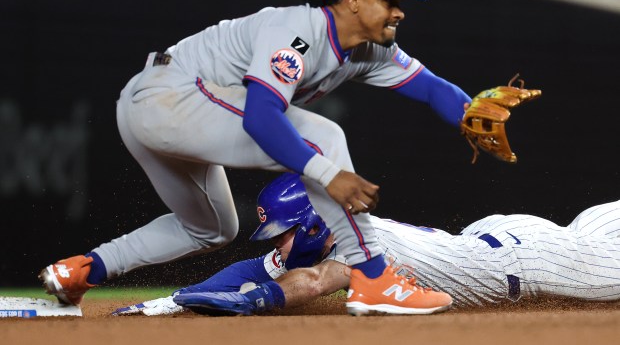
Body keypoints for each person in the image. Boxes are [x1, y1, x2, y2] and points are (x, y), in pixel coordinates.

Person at [39, 0, 472, 316]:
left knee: (210, 229)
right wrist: (327, 173)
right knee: (325, 140)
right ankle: (374, 277)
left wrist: (470, 111)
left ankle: (82, 270)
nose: (399, 9)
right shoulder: (297, 31)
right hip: (170, 96)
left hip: (153, 109)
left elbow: (431, 87)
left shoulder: (371, 50)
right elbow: (262, 117)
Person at [113, 173, 620, 317]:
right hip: (499, 238)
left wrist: (250, 302)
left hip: (537, 264)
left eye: (285, 234)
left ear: (313, 226)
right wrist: (165, 303)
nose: (280, 247)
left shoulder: (359, 247)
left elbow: (310, 283)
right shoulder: (331, 235)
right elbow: (256, 265)